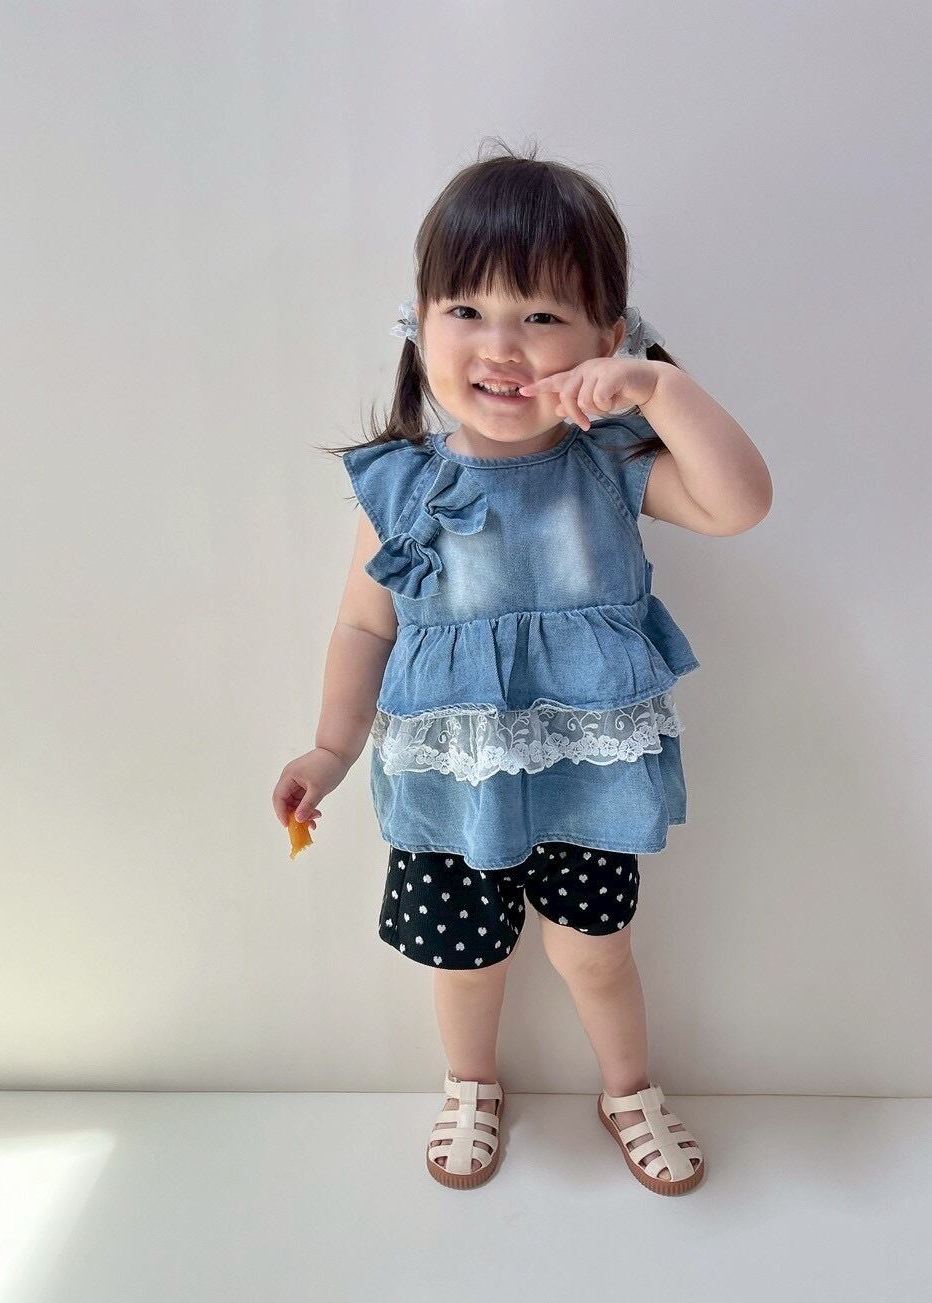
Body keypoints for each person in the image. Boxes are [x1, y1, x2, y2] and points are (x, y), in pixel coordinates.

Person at [271, 139, 773, 1196]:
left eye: (542, 316)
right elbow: (362, 628)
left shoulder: (612, 466)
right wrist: (329, 747)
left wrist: (659, 388)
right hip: (451, 783)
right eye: (467, 309)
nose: (502, 344)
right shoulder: (403, 486)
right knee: (465, 960)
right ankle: (470, 1085)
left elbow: (740, 502)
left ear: (605, 339)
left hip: (585, 781)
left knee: (596, 952)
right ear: (420, 323)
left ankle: (628, 1088)